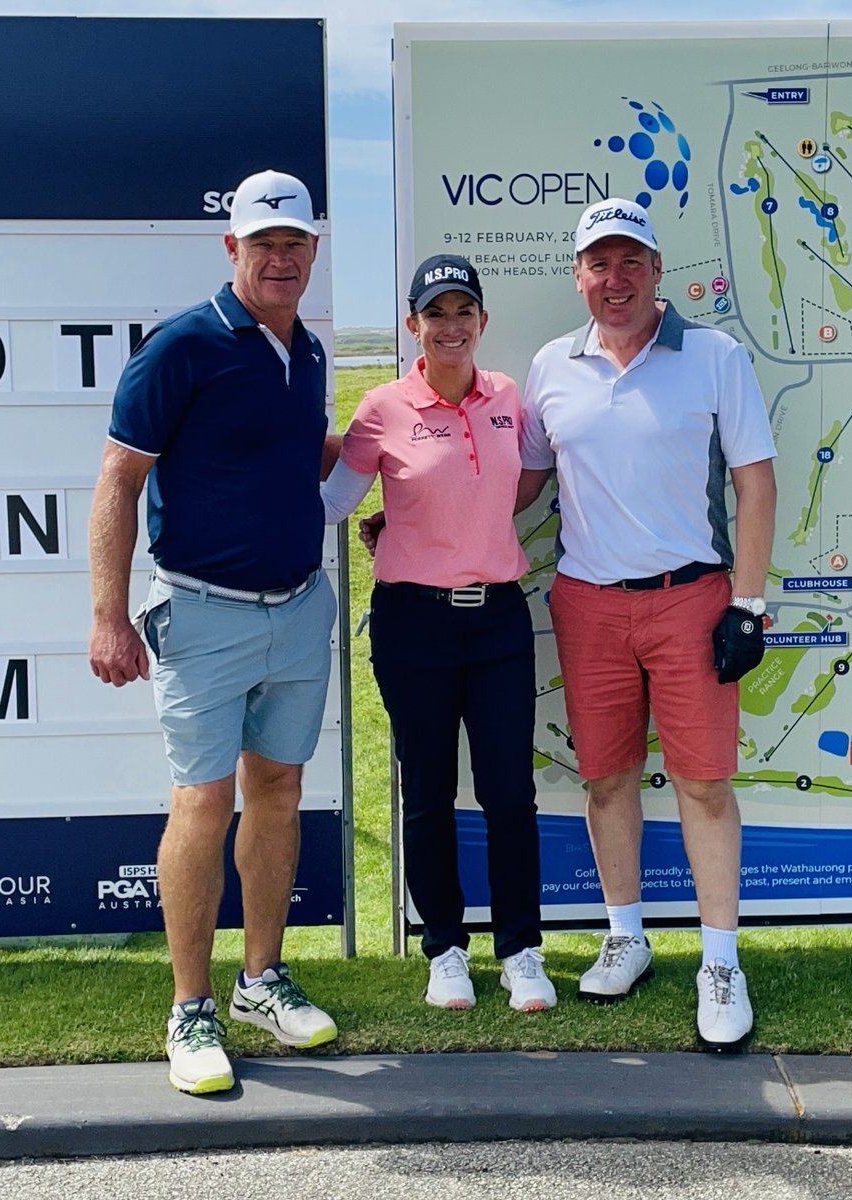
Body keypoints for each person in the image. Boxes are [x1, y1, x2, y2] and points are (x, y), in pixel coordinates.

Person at [88, 169, 341, 1095]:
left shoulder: (307, 350)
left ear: (312, 250)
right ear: (231, 247)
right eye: (262, 243)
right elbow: (118, 480)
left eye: (294, 243)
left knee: (278, 789)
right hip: (201, 612)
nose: (280, 258)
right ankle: (189, 1008)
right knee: (202, 800)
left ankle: (259, 980)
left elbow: (290, 456)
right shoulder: (182, 346)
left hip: (298, 608)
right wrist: (108, 615)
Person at [516, 198, 777, 1050]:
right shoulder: (552, 366)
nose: (616, 278)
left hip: (692, 599)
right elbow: (523, 486)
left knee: (704, 785)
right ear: (578, 276)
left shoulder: (714, 355)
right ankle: (626, 936)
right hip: (588, 602)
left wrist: (749, 603)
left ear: (658, 270)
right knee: (606, 780)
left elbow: (755, 482)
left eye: (631, 261)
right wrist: (414, 518)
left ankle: (720, 963)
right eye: (599, 263)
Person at [322, 254, 555, 1013]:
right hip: (413, 623)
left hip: (497, 619)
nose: (451, 326)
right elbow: (335, 503)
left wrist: (444, 515)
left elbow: (522, 481)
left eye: (463, 312)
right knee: (427, 791)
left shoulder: (509, 397)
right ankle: (446, 949)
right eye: (435, 314)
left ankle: (519, 949)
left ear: (482, 321)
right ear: (413, 326)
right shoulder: (383, 407)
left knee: (508, 791)